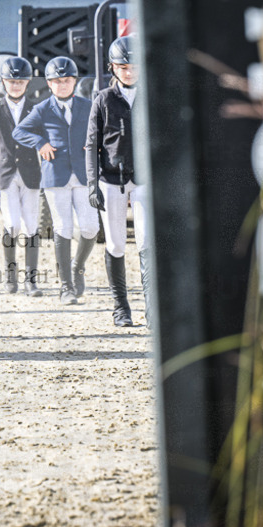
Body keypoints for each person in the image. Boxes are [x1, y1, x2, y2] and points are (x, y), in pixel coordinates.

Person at [13, 56, 99, 305]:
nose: (62, 85)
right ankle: (66, 287)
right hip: (55, 174)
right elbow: (19, 131)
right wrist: (39, 142)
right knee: (63, 227)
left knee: (90, 227)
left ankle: (77, 266)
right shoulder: (41, 109)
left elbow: (103, 130)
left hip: (84, 174)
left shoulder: (89, 105)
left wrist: (99, 147)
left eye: (67, 80)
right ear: (49, 84)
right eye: (57, 81)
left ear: (74, 81)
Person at [86, 35, 151, 327]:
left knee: (146, 242)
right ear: (113, 67)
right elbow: (92, 144)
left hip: (144, 180)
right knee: (115, 244)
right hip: (111, 179)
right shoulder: (103, 99)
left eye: (134, 66)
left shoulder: (152, 94)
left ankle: (152, 308)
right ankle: (121, 307)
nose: (129, 71)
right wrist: (91, 185)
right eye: (123, 67)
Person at [0, 55, 43, 296]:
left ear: (27, 83)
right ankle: (10, 277)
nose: (15, 85)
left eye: (20, 82)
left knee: (31, 225)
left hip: (31, 173)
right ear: (3, 82)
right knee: (12, 224)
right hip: (6, 173)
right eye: (11, 81)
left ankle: (31, 280)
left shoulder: (37, 109)